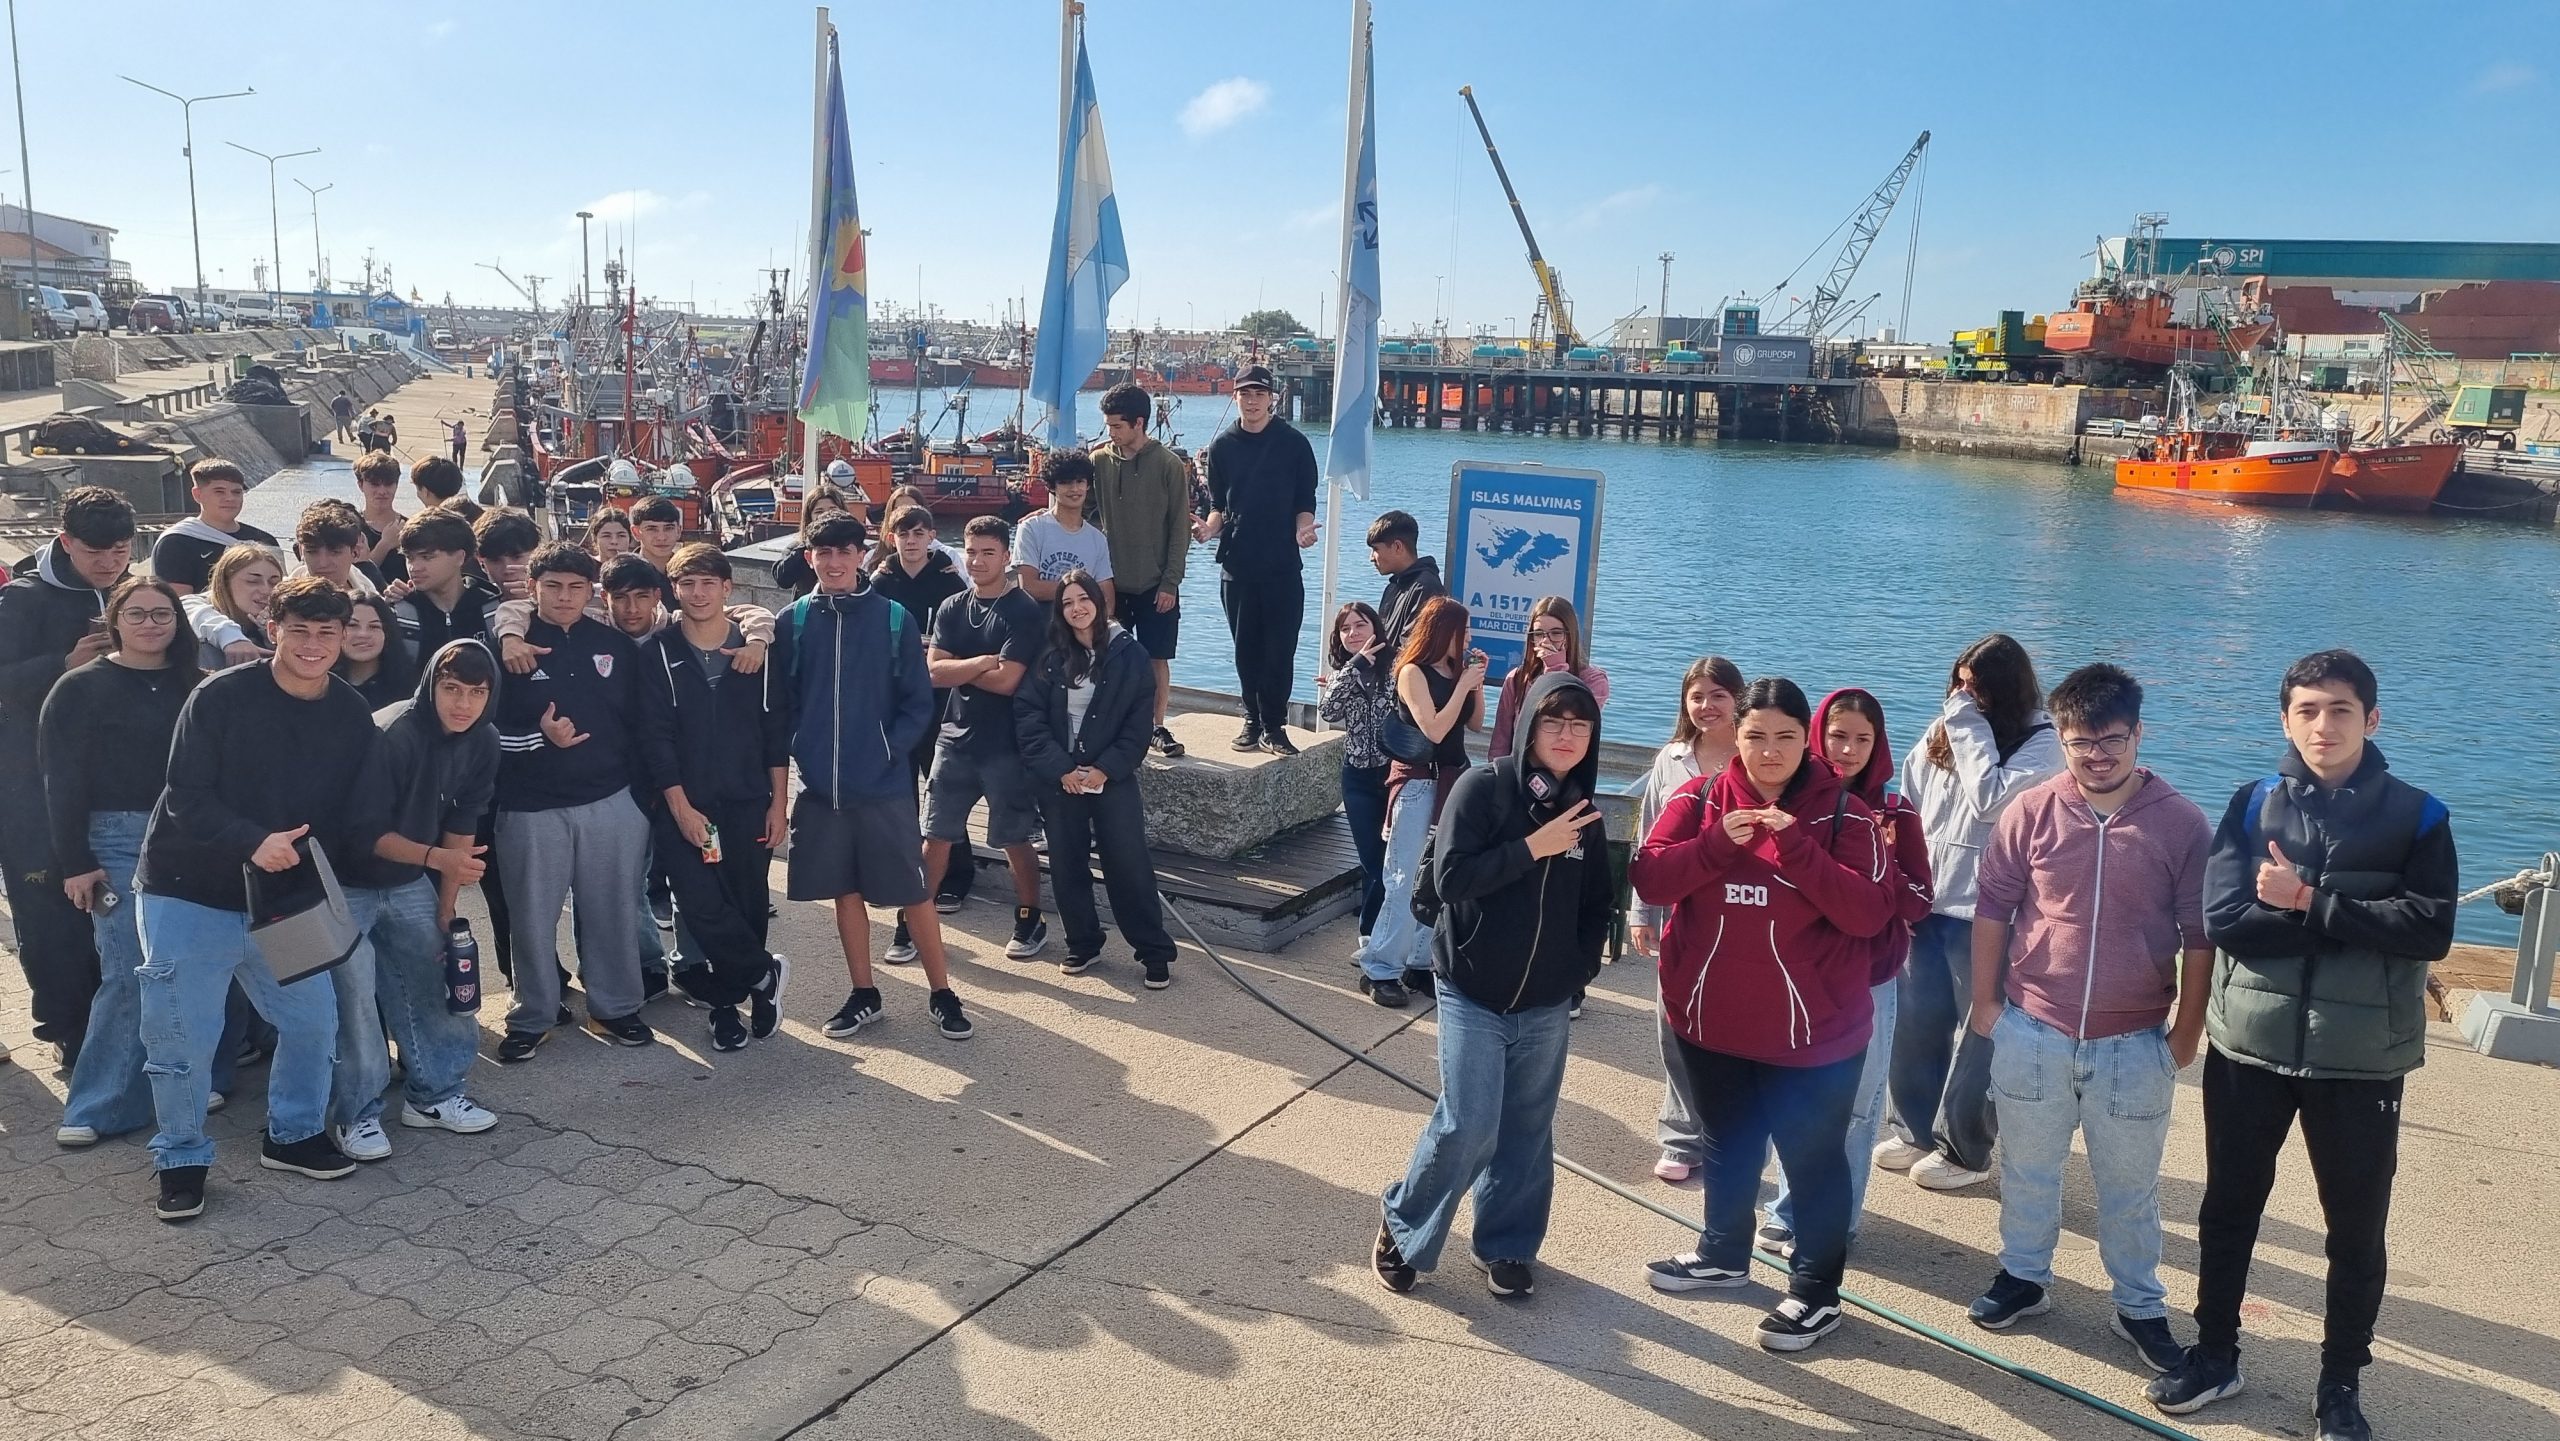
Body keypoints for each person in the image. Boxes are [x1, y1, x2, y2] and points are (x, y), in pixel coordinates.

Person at [2149, 650, 2456, 1441]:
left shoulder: (2420, 816)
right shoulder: (2253, 806)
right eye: (2309, 709)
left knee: (2355, 1227)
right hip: (2249, 1046)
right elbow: (2223, 921)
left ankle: (2340, 1381)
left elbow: (2429, 928)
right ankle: (2216, 1351)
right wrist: (2351, 915)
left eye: (2342, 709)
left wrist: (2307, 899)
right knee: (2227, 1209)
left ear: (2372, 719)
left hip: (2361, 1060)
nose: (2325, 724)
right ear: (2286, 718)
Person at [1959, 663, 2207, 1374]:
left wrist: (2185, 1033)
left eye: (2112, 739)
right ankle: (2024, 1276)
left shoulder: (2183, 823)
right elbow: (1993, 908)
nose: (2097, 754)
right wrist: (1986, 1005)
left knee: (2130, 1185)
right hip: (2032, 1025)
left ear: (2138, 733)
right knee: (2028, 1168)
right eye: (2079, 741)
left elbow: (2200, 936)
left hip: (2134, 1041)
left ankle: (2138, 1303)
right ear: (2060, 738)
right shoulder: (2030, 810)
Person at [1631, 677, 1892, 1353]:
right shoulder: (1700, 798)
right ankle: (1722, 1253)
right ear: (1735, 738)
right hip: (1710, 1020)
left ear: (1805, 738)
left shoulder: (1845, 816)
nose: (1768, 752)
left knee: (1812, 1160)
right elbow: (1652, 877)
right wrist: (1718, 843)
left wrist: (1797, 848)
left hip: (1815, 1036)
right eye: (1754, 737)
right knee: (1726, 1138)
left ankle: (1815, 1291)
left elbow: (1868, 910)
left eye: (1783, 737)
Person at [134, 576, 380, 1222]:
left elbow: (352, 811)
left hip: (283, 892)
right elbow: (185, 795)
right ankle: (181, 1157)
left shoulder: (350, 712)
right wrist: (253, 841)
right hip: (188, 888)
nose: (313, 644)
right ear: (272, 630)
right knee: (182, 1035)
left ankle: (293, 1132)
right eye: (298, 629)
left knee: (312, 1021)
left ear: (343, 637)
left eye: (327, 632)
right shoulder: (219, 696)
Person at [1372, 673, 1611, 1300]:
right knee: (1469, 1122)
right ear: (1530, 723)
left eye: (1579, 725)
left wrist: (1575, 973)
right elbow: (1451, 879)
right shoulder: (1484, 787)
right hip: (1472, 988)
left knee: (1529, 1128)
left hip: (1545, 1002)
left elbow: (1596, 909)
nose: (1566, 736)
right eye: (1554, 722)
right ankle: (1404, 1222)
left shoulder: (1586, 813)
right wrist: (1533, 847)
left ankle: (1506, 1243)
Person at [775, 513, 973, 1041]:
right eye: (824, 553)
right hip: (822, 786)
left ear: (861, 555)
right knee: (844, 892)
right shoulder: (793, 620)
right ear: (810, 557)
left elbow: (917, 700)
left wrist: (889, 750)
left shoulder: (892, 618)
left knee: (914, 891)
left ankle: (942, 992)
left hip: (884, 783)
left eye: (845, 552)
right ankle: (865, 993)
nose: (835, 563)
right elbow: (785, 702)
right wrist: (804, 748)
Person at [1879, 632, 2062, 1192]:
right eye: (1958, 685)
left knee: (1983, 1030)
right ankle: (1914, 1129)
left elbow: (1990, 797)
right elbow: (1909, 794)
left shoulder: (2042, 742)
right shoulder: (1945, 732)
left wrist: (1965, 723)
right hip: (1925, 899)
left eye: (1976, 689)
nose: (1963, 697)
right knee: (1916, 1023)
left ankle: (1966, 1147)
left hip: (1990, 911)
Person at [1761, 687, 1935, 1250]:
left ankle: (1837, 1219)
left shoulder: (1895, 810)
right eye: (1838, 735)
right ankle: (1789, 1209)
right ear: (1818, 735)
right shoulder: (1794, 804)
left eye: (1864, 738)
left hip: (1870, 978)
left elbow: (1918, 898)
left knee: (1858, 1106)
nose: (1849, 749)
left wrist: (1878, 869)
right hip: (1802, 971)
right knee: (1797, 1095)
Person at [43, 578, 207, 1146]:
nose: (150, 624)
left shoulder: (197, 685)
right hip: (113, 840)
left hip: (192, 835)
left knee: (192, 968)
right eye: (136, 614)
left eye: (162, 614)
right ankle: (98, 1104)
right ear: (115, 620)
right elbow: (60, 783)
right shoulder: (79, 688)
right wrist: (75, 862)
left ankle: (186, 1083)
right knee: (128, 971)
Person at [331, 639, 504, 1157]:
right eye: (452, 688)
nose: (463, 704)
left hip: (410, 878)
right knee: (354, 998)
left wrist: (447, 906)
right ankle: (355, 1115)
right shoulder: (393, 734)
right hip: (346, 881)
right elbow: (363, 834)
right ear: (431, 684)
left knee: (435, 975)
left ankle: (434, 1095)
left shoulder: (485, 739)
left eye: (477, 692)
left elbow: (463, 822)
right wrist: (439, 862)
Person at [486, 542, 657, 1062]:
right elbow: (477, 732)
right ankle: (532, 1013)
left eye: (576, 587)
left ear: (591, 592)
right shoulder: (500, 647)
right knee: (532, 918)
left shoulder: (616, 645)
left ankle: (614, 1006)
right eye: (553, 586)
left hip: (609, 798)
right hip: (529, 804)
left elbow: (641, 725)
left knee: (612, 909)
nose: (564, 597)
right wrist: (538, 738)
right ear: (532, 588)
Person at [639, 544, 792, 1052]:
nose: (698, 593)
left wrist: (778, 803)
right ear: (674, 590)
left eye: (708, 583)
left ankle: (729, 1006)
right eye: (687, 584)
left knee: (747, 905)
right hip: (685, 801)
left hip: (748, 798)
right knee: (701, 903)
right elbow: (655, 738)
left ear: (728, 588)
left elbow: (775, 733)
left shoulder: (758, 652)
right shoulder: (657, 650)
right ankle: (764, 975)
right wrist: (681, 809)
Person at [0, 485, 133, 1065]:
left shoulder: (130, 593)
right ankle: (66, 1029)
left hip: (108, 781)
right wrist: (64, 665)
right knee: (47, 908)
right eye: (95, 551)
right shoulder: (23, 599)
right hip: (27, 779)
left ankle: (116, 1022)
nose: (109, 563)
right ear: (64, 542)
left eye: (122, 550)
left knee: (108, 901)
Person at [1013, 569, 1174, 986]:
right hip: (1061, 778)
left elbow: (1140, 724)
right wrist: (1061, 769)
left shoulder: (1130, 654)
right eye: (1067, 603)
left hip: (1112, 777)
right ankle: (1083, 943)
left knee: (1129, 863)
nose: (1076, 609)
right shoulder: (1050, 656)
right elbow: (1028, 717)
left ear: (1098, 603)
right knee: (1067, 864)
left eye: (1083, 599)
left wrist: (1105, 769)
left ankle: (1153, 951)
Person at [1629, 656, 1743, 1182]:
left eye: (1717, 695)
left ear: (1738, 698)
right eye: (1696, 697)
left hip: (1742, 909)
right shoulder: (1671, 759)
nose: (1706, 707)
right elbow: (1648, 836)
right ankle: (1681, 1136)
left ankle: (1731, 1133)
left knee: (1735, 1022)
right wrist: (1640, 910)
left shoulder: (1757, 756)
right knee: (1674, 1019)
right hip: (1678, 907)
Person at [924, 515, 1051, 964]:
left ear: (1007, 556)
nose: (977, 561)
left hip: (1006, 745)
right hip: (953, 740)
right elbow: (933, 673)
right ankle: (917, 921)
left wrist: (961, 667)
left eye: (988, 553)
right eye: (972, 552)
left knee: (1013, 837)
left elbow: (1009, 681)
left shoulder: (1024, 612)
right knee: (935, 836)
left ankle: (1030, 916)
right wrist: (980, 661)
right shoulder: (952, 607)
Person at [1356, 596, 1484, 1008]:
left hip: (1452, 780)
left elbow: (1475, 723)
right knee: (1402, 877)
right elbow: (1432, 729)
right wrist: (1462, 686)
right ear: (1442, 631)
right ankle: (1380, 967)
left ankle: (1420, 960)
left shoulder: (1455, 671)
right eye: (1462, 631)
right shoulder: (1412, 672)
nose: (1467, 638)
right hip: (1417, 781)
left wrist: (1474, 684)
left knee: (1438, 879)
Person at [1200, 364, 1318, 755]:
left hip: (1283, 564)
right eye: (1245, 394)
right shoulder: (1221, 447)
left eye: (1259, 394)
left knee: (1281, 647)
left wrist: (1305, 530)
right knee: (1244, 647)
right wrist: (1207, 530)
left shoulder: (1295, 443)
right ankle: (1252, 719)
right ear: (1235, 397)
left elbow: (1305, 502)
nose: (1252, 401)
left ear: (1272, 398)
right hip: (1238, 563)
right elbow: (1219, 506)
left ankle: (1275, 724)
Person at [870, 503, 968, 963]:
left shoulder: (950, 581)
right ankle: (900, 881)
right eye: (902, 533)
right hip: (894, 702)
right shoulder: (880, 582)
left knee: (946, 788)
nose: (910, 541)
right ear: (891, 537)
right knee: (899, 795)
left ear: (931, 536)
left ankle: (955, 877)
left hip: (941, 701)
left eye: (919, 533)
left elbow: (964, 640)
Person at [1088, 381, 1191, 757]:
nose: (1111, 433)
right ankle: (1109, 724)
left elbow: (1180, 528)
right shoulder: (1099, 461)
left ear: (1139, 423)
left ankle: (1156, 726)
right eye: (1108, 426)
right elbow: (1079, 508)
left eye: (1117, 426)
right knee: (1105, 656)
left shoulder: (1168, 465)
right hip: (1110, 582)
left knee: (1155, 658)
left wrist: (1170, 582)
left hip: (1155, 584)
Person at [1317, 602, 1396, 951]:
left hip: (1394, 774)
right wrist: (1353, 667)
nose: (1353, 634)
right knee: (1370, 858)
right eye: (1345, 629)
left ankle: (1383, 926)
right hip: (1357, 776)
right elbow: (1328, 710)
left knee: (1391, 856)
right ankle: (1370, 934)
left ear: (1375, 628)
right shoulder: (1345, 672)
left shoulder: (1397, 667)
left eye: (1360, 625)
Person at [1488, 596, 1610, 762]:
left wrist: (1556, 668)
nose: (1546, 641)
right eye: (1539, 634)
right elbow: (1500, 740)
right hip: (1521, 771)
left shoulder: (1594, 680)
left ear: (1569, 636)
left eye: (1556, 633)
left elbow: (1568, 714)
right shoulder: (1517, 679)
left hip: (1569, 774)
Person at [149, 459, 278, 596]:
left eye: (236, 492)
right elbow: (180, 604)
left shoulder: (265, 541)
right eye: (219, 491)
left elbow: (280, 593)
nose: (229, 498)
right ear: (197, 494)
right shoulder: (176, 543)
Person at [1012, 451, 1116, 613]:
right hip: (1040, 626)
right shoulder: (1031, 528)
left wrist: (1101, 631)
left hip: (1083, 628)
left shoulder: (1097, 539)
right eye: (1065, 483)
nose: (1074, 489)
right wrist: (1085, 592)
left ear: (1088, 485)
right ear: (1052, 487)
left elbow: (1107, 596)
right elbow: (1029, 586)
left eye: (1080, 481)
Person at [388, 506, 493, 656]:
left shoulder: (492, 609)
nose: (414, 567)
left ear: (459, 557)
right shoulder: (398, 613)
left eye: (427, 557)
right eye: (409, 557)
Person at [183, 544, 283, 670]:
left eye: (274, 583)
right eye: (252, 581)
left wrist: (272, 634)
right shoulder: (198, 604)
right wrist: (231, 637)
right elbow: (186, 606)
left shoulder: (284, 618)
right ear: (225, 583)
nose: (266, 590)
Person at [1367, 510, 1445, 661]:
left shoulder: (1426, 588)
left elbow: (1412, 651)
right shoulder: (1393, 587)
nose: (1371, 558)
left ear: (1397, 547)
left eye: (1375, 549)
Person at [334, 594, 415, 709]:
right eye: (352, 625)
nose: (363, 634)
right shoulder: (320, 686)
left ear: (387, 633)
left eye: (374, 627)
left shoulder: (409, 691)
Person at [292, 499, 379, 596]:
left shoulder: (369, 591)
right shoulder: (285, 604)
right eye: (312, 552)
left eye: (334, 552)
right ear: (301, 551)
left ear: (355, 552)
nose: (323, 563)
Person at [351, 450, 408, 589]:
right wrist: (386, 543)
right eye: (375, 484)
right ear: (360, 485)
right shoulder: (351, 528)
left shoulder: (408, 526)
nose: (382, 491)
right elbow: (353, 575)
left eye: (388, 484)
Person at [410, 455, 481, 529]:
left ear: (425, 491)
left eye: (418, 489)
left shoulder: (430, 529)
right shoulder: (477, 517)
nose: (418, 494)